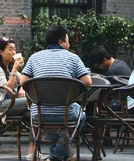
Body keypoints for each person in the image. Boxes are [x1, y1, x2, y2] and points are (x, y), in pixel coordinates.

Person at [21, 25, 91, 161]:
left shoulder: (34, 58)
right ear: (61, 42)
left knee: (55, 122)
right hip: (66, 113)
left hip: (39, 113)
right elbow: (87, 82)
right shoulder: (73, 58)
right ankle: (57, 153)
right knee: (81, 114)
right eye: (68, 40)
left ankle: (57, 151)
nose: (69, 44)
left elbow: (24, 81)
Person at [0, 37, 44, 161]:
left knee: (34, 112)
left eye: (15, 49)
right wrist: (15, 70)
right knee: (35, 101)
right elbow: (7, 89)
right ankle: (34, 150)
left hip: (11, 103)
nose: (13, 52)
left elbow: (23, 82)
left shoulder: (8, 68)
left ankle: (33, 150)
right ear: (1, 52)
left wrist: (22, 88)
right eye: (10, 49)